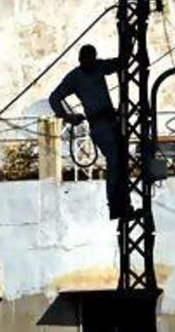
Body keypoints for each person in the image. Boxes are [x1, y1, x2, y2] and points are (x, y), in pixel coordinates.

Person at [49, 44, 126, 219]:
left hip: (110, 121)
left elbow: (118, 63)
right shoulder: (76, 77)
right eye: (87, 59)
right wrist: (67, 117)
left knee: (119, 162)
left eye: (92, 59)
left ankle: (120, 203)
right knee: (115, 161)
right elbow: (54, 98)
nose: (90, 62)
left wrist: (127, 50)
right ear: (81, 59)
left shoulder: (97, 67)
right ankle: (115, 205)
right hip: (100, 124)